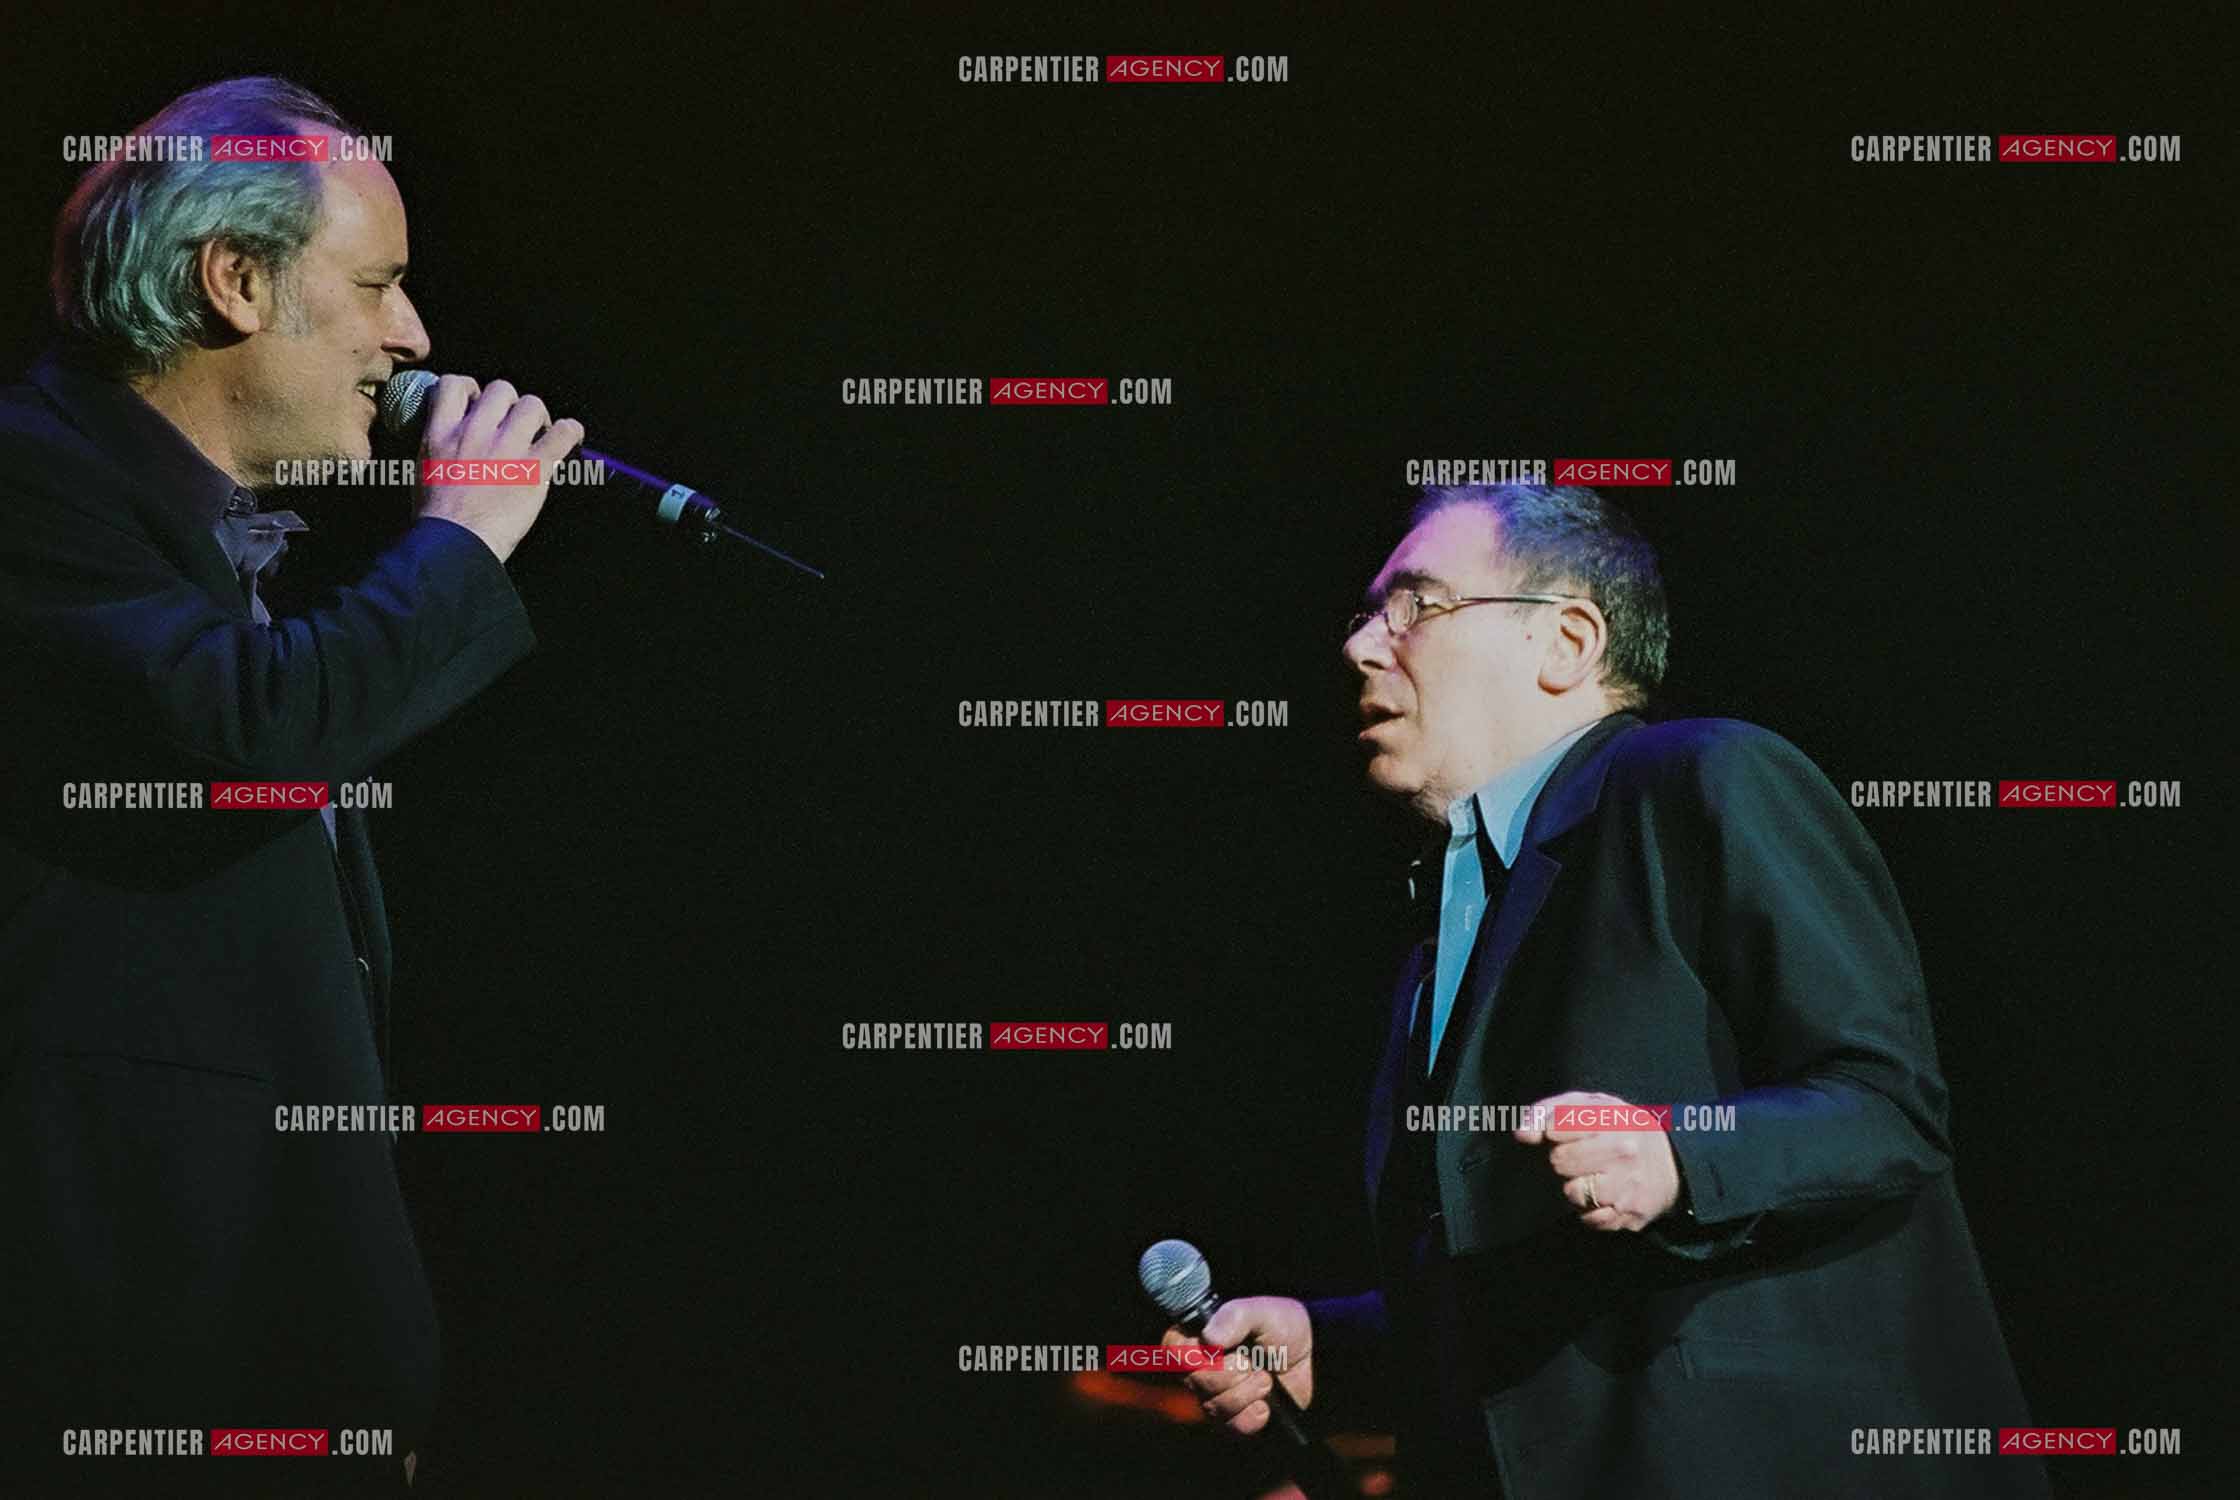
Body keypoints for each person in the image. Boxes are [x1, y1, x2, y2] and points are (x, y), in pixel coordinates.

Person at [1165, 484, 2047, 1497]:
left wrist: (1678, 1153)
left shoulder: (1701, 778)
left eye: (1414, 605)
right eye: (1365, 615)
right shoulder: (1442, 931)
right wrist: (1334, 1341)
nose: (1364, 645)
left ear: (1566, 642)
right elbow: (1526, 1281)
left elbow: (1889, 1106)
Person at [0, 76, 580, 1495]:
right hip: (128, 1368)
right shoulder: (29, 483)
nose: (415, 337)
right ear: (236, 280)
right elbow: (251, 729)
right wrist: (462, 537)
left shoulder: (188, 534)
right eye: (377, 283)